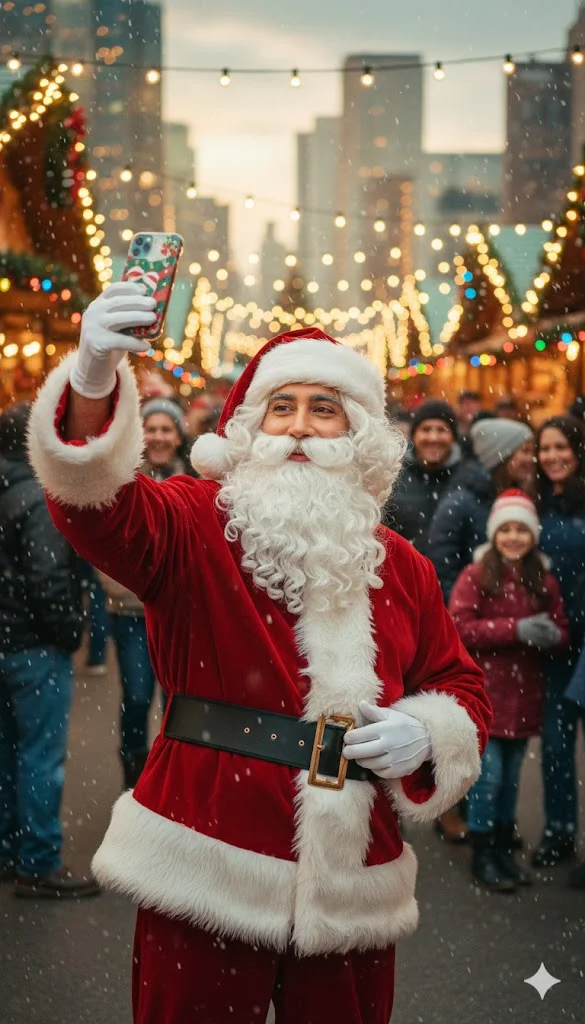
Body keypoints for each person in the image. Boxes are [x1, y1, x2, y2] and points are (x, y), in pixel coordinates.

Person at [27, 282, 491, 1024]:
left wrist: (429, 730)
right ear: (249, 429)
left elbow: (458, 683)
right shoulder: (194, 524)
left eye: (323, 408)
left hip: (352, 884)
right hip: (206, 860)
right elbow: (97, 506)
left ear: (358, 435)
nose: (300, 429)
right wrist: (90, 382)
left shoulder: (399, 564)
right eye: (282, 407)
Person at [0, 403, 99, 898]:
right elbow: (47, 577)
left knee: (6, 751)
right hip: (32, 645)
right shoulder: (37, 498)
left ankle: (7, 850)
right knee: (40, 755)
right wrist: (69, 633)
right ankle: (38, 860)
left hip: (7, 640)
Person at [449, 490, 569, 892]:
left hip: (524, 698)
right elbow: (460, 627)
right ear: (494, 534)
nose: (514, 537)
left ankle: (502, 847)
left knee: (512, 779)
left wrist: (551, 636)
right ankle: (482, 851)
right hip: (486, 696)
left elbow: (560, 631)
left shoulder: (543, 579)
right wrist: (514, 630)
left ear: (533, 535)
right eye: (506, 529)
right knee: (489, 778)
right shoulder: (476, 575)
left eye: (522, 529)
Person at [97, 397, 191, 789]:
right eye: (151, 428)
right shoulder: (123, 478)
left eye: (166, 429)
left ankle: (171, 785)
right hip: (132, 612)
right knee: (136, 699)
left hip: (181, 616)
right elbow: (107, 542)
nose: (158, 436)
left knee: (178, 704)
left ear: (178, 435)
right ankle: (134, 785)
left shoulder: (196, 478)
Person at [531, 416, 585, 869]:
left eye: (561, 447)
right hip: (557, 645)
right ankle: (559, 830)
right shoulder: (537, 502)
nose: (553, 456)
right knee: (555, 745)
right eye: (545, 448)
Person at [428, 417, 535, 604]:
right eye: (524, 451)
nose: (530, 459)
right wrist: (465, 611)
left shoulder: (516, 494)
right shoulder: (459, 502)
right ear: (501, 454)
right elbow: (442, 569)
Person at [381, 399, 461, 558]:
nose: (433, 437)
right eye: (426, 429)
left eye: (442, 430)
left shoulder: (469, 478)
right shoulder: (393, 476)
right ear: (414, 436)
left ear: (453, 436)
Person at [140, 397, 193, 479]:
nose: (158, 438)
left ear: (179, 438)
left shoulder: (195, 480)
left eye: (166, 430)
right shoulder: (124, 482)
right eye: (151, 430)